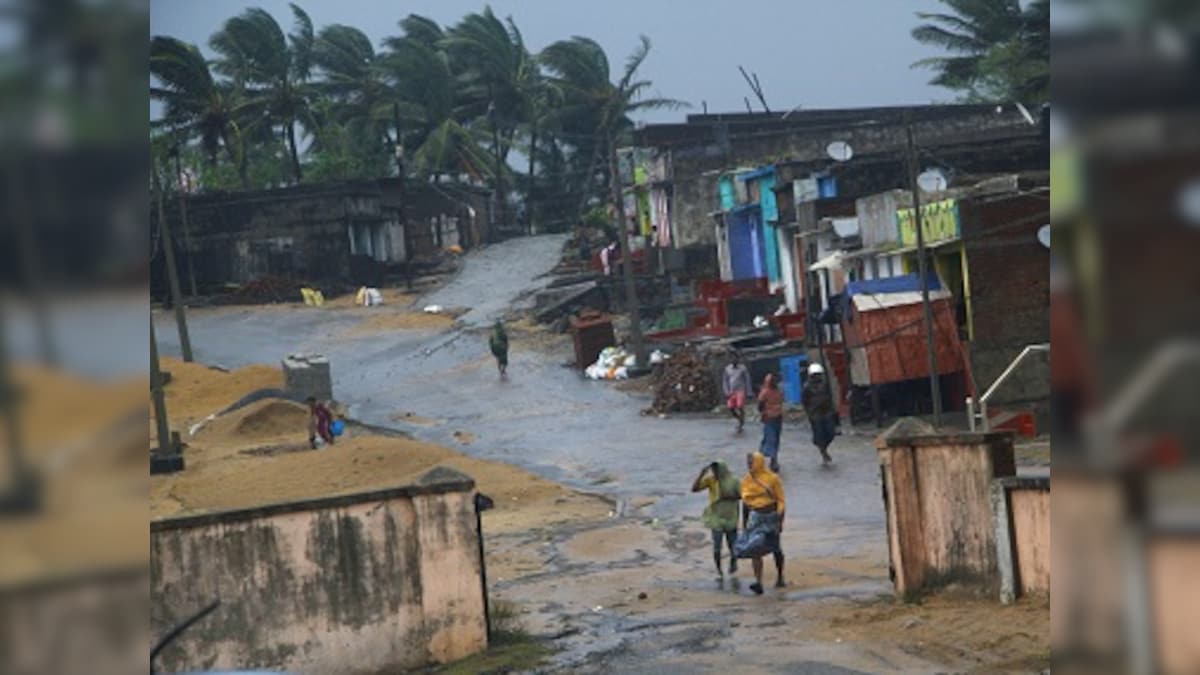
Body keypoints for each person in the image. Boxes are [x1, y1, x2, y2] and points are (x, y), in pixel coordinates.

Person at [740, 451, 786, 594]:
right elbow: (745, 502)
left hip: (770, 516)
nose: (749, 465)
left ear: (758, 462)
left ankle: (780, 576)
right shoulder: (747, 479)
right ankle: (758, 581)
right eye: (748, 463)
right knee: (755, 549)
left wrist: (780, 520)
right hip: (755, 516)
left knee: (775, 547)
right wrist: (745, 523)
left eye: (751, 462)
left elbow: (780, 500)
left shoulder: (773, 479)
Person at [691, 461, 742, 581]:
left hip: (731, 516)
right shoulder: (711, 480)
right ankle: (719, 569)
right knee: (717, 546)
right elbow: (694, 489)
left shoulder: (734, 480)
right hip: (716, 517)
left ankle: (733, 563)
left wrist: (727, 497)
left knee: (733, 546)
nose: (715, 473)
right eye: (713, 470)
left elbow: (742, 495)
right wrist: (701, 475)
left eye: (716, 470)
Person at [803, 363, 836, 463]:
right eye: (815, 375)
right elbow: (805, 401)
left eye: (819, 374)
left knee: (831, 433)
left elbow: (829, 396)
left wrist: (832, 408)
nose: (818, 377)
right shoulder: (807, 387)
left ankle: (824, 447)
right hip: (815, 413)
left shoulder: (825, 384)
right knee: (819, 434)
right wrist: (809, 413)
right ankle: (823, 451)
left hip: (826, 412)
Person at [757, 373, 784, 472]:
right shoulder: (766, 392)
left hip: (776, 417)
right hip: (770, 418)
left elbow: (760, 406)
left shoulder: (776, 391)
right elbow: (760, 405)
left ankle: (765, 456)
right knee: (772, 438)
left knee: (773, 438)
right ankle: (773, 460)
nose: (774, 383)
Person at [722, 352, 753, 433]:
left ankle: (741, 424)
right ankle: (739, 419)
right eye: (732, 358)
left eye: (735, 358)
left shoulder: (743, 368)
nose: (734, 360)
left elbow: (747, 380)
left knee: (739, 406)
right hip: (731, 391)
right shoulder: (727, 369)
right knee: (730, 407)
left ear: (738, 359)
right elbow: (725, 381)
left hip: (740, 391)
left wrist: (749, 392)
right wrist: (726, 392)